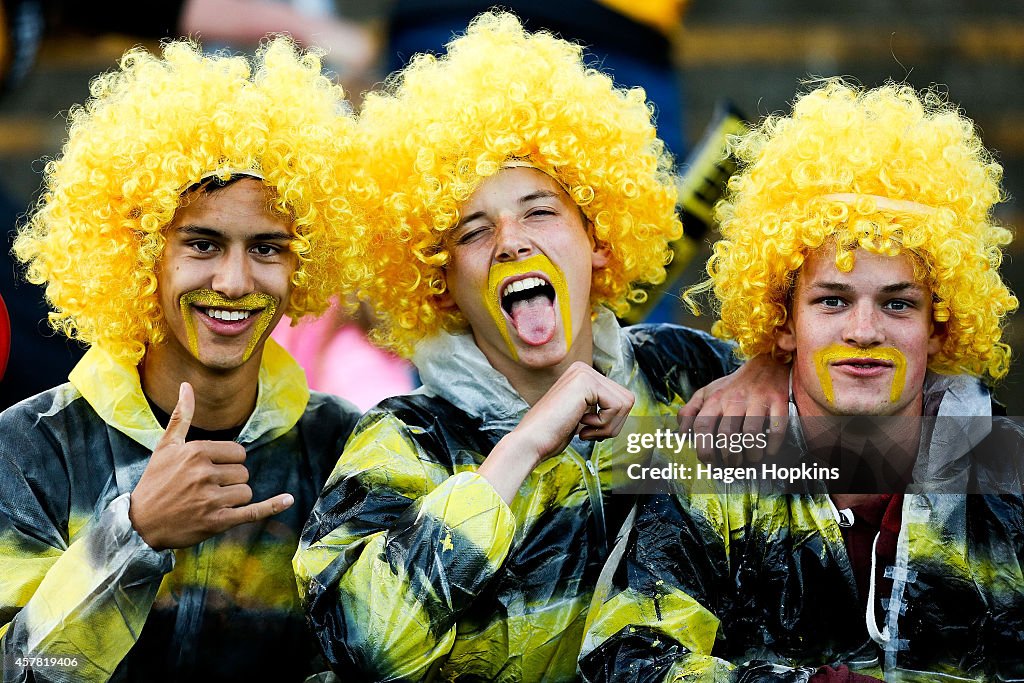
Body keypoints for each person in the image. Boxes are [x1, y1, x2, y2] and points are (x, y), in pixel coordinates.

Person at [293, 12, 789, 681]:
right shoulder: (404, 440)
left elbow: (951, 463)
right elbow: (358, 644)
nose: (511, 240)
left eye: (539, 210)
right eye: (472, 231)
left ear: (600, 242)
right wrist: (520, 449)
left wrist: (779, 368)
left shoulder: (692, 377)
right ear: (441, 286)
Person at [579, 80, 1023, 681]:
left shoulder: (1006, 479)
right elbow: (624, 658)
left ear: (941, 329)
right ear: (783, 325)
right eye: (833, 302)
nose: (863, 330)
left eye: (897, 305)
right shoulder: (713, 472)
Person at [1, 37, 365, 681]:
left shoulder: (344, 445)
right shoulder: (29, 449)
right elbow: (19, 670)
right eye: (201, 243)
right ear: (142, 253)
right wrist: (133, 536)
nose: (232, 281)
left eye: (267, 248)